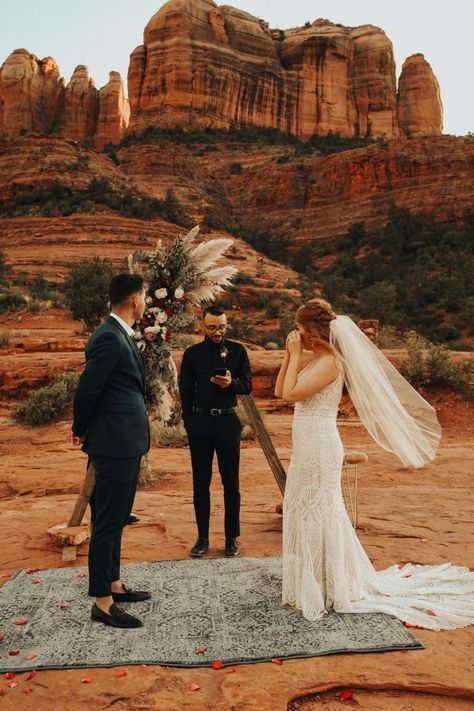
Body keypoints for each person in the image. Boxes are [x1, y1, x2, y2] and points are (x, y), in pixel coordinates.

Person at [275, 298, 474, 630]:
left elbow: (291, 396)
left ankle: (330, 585)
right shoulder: (314, 360)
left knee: (320, 511)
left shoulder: (330, 363)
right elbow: (283, 389)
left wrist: (294, 356)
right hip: (306, 446)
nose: (295, 336)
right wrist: (287, 357)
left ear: (311, 331)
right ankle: (310, 582)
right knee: (300, 507)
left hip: (320, 446)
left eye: (299, 330)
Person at [72, 274, 151, 629]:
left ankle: (114, 584)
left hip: (126, 441)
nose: (146, 302)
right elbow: (88, 390)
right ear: (135, 299)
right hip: (113, 442)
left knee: (117, 517)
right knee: (106, 522)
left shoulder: (120, 333)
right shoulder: (107, 336)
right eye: (145, 296)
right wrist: (80, 429)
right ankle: (102, 602)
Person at [179, 305, 252, 558]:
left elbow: (247, 385)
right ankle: (202, 538)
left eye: (221, 326)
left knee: (231, 483)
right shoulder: (192, 354)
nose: (217, 331)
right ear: (202, 326)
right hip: (200, 423)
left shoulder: (238, 351)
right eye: (212, 327)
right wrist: (188, 422)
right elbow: (185, 391)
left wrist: (232, 383)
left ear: (226, 324)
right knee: (201, 483)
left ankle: (232, 538)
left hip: (228, 423)